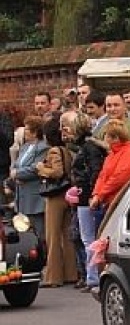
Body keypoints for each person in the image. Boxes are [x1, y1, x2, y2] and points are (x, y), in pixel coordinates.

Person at [67, 111, 108, 294]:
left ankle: (93, 277)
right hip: (87, 195)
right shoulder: (90, 146)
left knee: (88, 238)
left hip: (88, 197)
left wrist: (91, 192)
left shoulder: (88, 148)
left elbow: (94, 170)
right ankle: (92, 276)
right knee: (88, 237)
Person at [35, 117, 78, 287]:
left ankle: (54, 276)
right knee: (67, 237)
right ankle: (71, 272)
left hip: (55, 197)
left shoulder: (53, 151)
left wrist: (41, 169)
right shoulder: (66, 150)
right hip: (67, 195)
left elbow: (57, 172)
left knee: (52, 236)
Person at [89, 120, 130, 213]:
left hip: (122, 203)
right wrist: (97, 194)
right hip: (110, 202)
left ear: (115, 138)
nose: (104, 138)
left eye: (106, 135)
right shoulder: (113, 154)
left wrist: (100, 195)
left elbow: (119, 178)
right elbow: (102, 176)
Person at [7, 115, 48, 238]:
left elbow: (36, 168)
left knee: (40, 232)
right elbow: (16, 164)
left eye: (27, 129)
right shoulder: (24, 147)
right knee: (26, 232)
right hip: (22, 195)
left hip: (35, 196)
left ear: (35, 132)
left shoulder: (43, 147)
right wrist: (14, 173)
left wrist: (18, 174)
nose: (24, 131)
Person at [101, 92, 130, 161]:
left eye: (116, 105)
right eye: (109, 106)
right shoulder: (104, 127)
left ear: (124, 106)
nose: (112, 109)